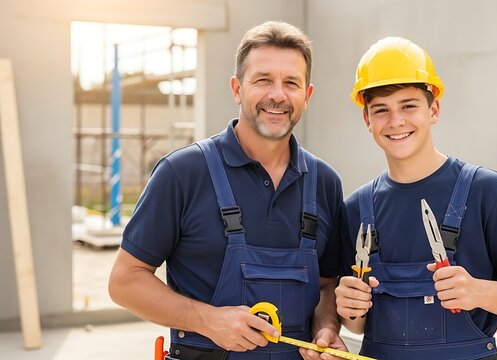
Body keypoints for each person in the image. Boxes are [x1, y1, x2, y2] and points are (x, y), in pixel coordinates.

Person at [109, 21, 347, 360]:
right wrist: (207, 320)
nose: (277, 95)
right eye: (263, 80)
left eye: (291, 83)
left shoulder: (324, 182)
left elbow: (327, 285)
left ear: (306, 96)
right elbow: (124, 281)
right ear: (237, 89)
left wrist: (326, 329)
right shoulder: (182, 173)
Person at [335, 37, 497, 359]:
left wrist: (478, 291)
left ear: (433, 109)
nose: (396, 121)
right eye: (381, 110)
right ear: (367, 120)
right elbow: (358, 326)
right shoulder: (356, 210)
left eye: (409, 105)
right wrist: (350, 310)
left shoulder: (486, 191)